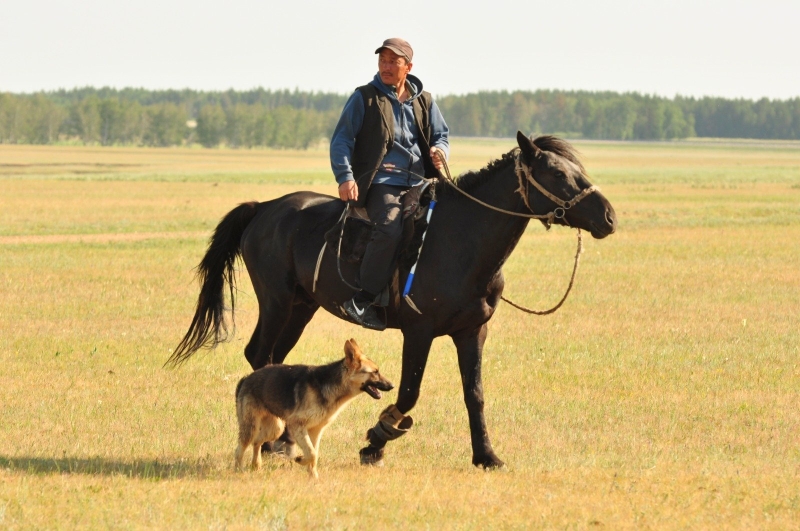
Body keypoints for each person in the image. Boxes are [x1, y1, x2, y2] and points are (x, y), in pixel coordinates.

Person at [330, 37, 449, 331]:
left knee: (451, 221)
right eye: (382, 61)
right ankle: (363, 299)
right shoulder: (365, 97)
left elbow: (441, 136)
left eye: (393, 62)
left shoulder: (425, 101)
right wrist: (345, 176)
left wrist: (439, 151)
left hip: (421, 180)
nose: (386, 67)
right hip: (382, 181)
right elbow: (342, 139)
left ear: (407, 67)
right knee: (390, 226)